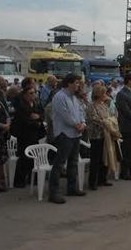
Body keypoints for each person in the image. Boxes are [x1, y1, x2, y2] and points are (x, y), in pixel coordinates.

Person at [48, 74, 87, 204]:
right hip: (64, 133)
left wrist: (83, 123)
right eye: (76, 83)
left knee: (73, 162)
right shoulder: (60, 97)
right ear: (69, 83)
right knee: (59, 163)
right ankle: (54, 192)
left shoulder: (75, 98)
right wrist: (77, 124)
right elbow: (65, 114)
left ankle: (71, 187)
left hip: (76, 133)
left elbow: (81, 112)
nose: (78, 85)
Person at [12, 80, 45, 188]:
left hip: (34, 134)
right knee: (23, 157)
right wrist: (36, 122)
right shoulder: (22, 105)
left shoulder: (36, 103)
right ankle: (19, 180)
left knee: (33, 157)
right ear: (25, 95)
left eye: (34, 92)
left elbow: (41, 115)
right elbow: (24, 120)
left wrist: (38, 118)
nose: (33, 95)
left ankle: (31, 178)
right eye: (31, 93)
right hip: (24, 134)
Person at [85, 85, 115, 190]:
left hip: (105, 134)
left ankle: (103, 179)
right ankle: (93, 181)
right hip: (96, 135)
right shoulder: (91, 106)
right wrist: (105, 122)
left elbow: (111, 115)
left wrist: (108, 121)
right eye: (104, 93)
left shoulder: (104, 105)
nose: (105, 95)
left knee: (105, 157)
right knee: (95, 159)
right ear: (99, 94)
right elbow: (94, 118)